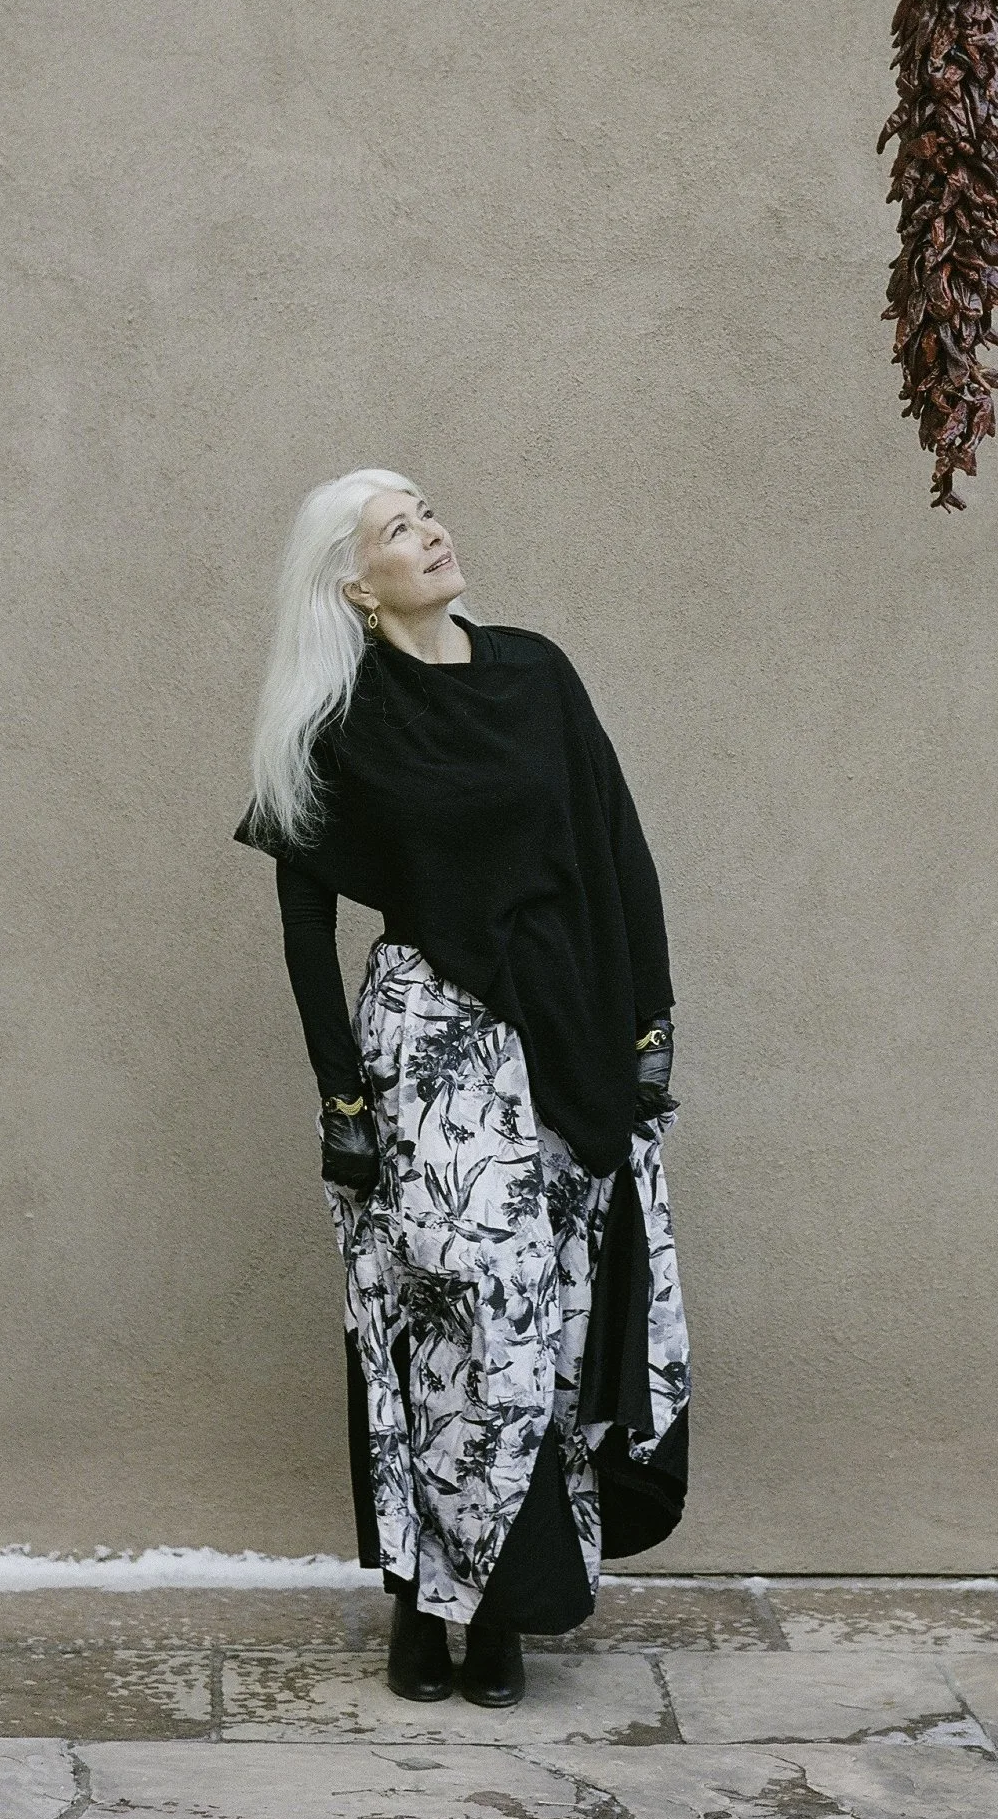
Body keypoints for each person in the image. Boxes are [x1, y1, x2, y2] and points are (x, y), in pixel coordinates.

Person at [233, 469, 690, 1707]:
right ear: (352, 580)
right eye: (396, 528)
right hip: (430, 1046)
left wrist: (647, 1024)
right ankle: (418, 1597)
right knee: (443, 1328)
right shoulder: (341, 720)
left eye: (426, 512)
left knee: (537, 1334)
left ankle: (494, 1611)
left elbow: (615, 842)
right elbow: (302, 922)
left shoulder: (536, 674)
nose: (430, 533)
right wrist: (341, 1104)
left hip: (564, 1039)